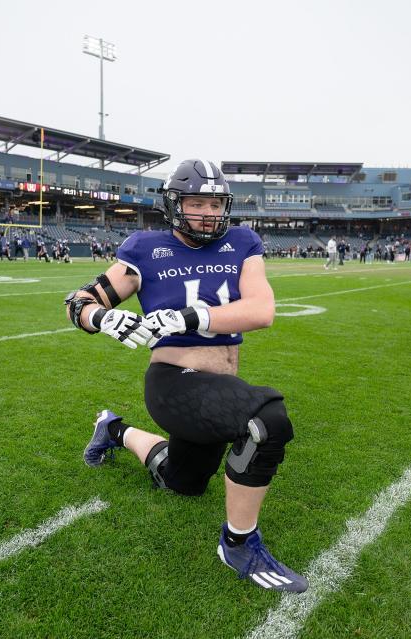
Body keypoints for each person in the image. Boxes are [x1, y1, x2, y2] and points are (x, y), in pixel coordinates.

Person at [66, 159, 307, 593]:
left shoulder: (242, 242)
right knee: (266, 422)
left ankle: (113, 430)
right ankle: (238, 544)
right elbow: (79, 301)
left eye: (216, 204)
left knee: (183, 482)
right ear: (175, 204)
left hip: (215, 391)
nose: (208, 213)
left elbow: (261, 310)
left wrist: (188, 316)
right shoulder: (144, 248)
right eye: (197, 203)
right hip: (173, 383)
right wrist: (100, 317)